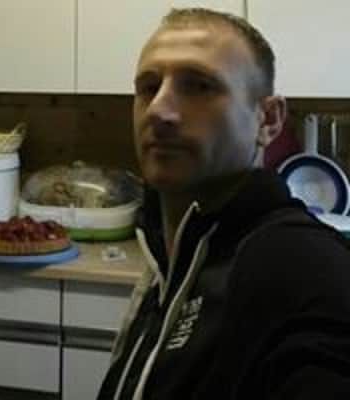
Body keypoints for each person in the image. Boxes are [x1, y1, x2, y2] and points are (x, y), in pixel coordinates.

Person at [97, 8, 350, 400]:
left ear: (268, 119)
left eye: (198, 86)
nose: (158, 109)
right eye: (148, 87)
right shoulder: (170, 262)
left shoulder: (302, 265)